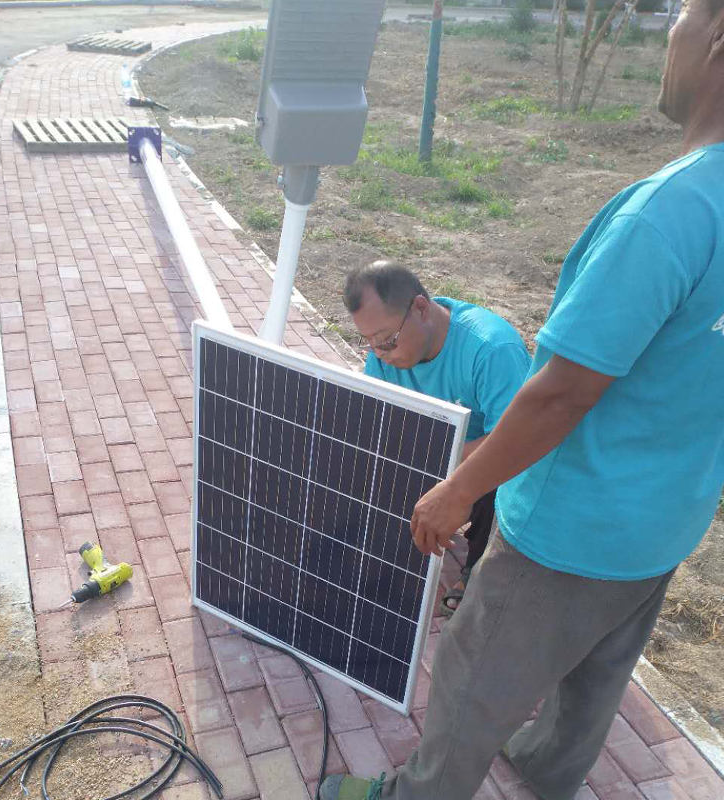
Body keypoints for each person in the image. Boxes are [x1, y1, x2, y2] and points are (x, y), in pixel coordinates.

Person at [322, 0, 724, 797]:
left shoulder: (670, 212)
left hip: (572, 527)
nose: (670, 31)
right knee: (595, 681)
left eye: (682, 10)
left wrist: (457, 492)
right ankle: (543, 774)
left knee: (470, 677)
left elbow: (562, 392)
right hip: (668, 520)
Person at [343, 261, 531, 616]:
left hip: (489, 461)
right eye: (369, 342)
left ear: (421, 308)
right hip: (430, 450)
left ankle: (476, 571)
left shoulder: (491, 349)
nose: (379, 354)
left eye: (387, 341)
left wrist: (440, 459)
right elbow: (378, 419)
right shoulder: (383, 354)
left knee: (501, 485)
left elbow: (518, 441)